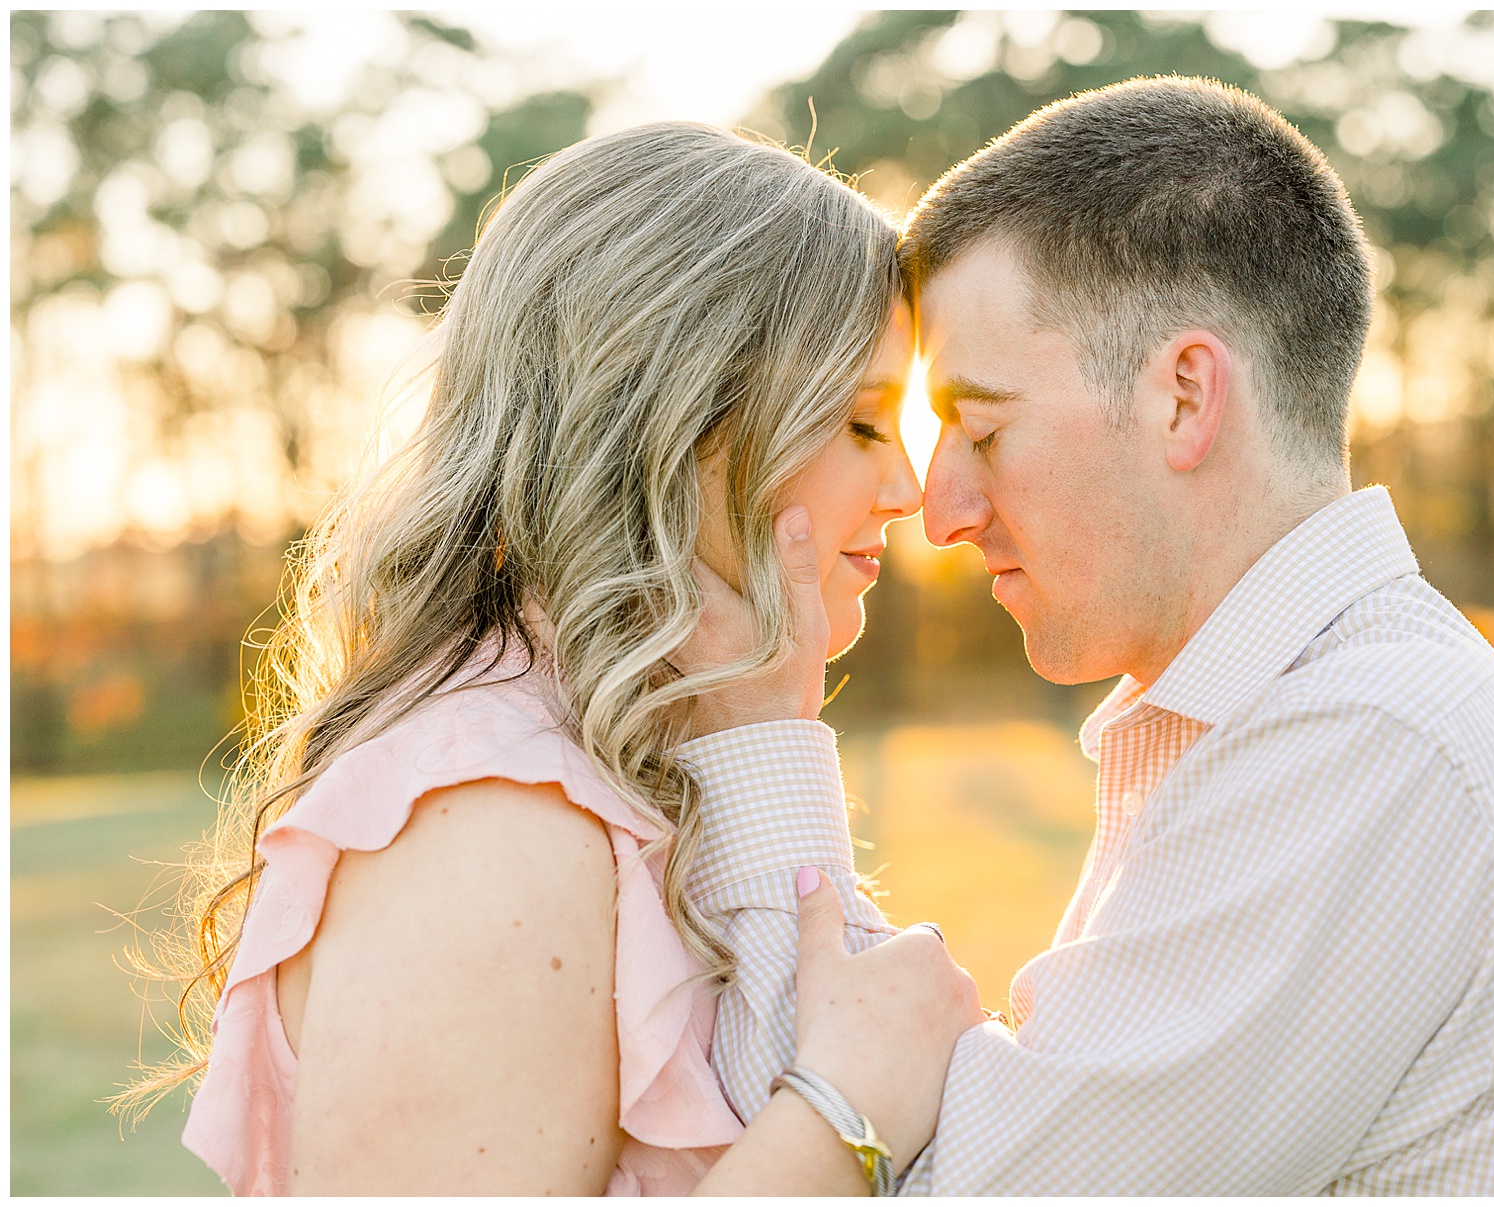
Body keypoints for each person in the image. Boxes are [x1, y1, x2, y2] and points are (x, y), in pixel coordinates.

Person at [682, 77, 1494, 1195]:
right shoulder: (1310, 719)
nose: (943, 510)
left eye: (982, 427)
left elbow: (931, 1186)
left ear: (1185, 398)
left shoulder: (1366, 749)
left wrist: (757, 739)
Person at [125, 121, 979, 1196]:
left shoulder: (636, 756)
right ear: (675, 420)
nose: (908, 489)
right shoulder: (491, 816)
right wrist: (849, 1115)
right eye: (862, 423)